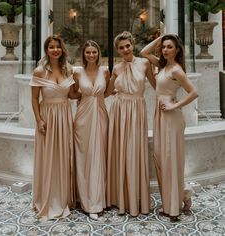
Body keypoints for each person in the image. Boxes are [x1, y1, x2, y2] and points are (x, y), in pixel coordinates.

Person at [140, 34, 198, 222]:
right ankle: (182, 193)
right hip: (160, 115)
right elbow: (143, 52)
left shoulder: (177, 70)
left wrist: (175, 106)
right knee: (160, 157)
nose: (165, 50)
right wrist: (160, 38)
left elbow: (194, 92)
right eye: (163, 47)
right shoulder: (162, 66)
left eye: (169, 47)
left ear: (177, 50)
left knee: (170, 158)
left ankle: (173, 207)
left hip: (172, 117)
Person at [30, 35, 80, 220]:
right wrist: (39, 120)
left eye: (58, 47)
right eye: (51, 47)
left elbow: (73, 95)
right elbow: (34, 98)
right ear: (46, 50)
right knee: (48, 157)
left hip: (65, 116)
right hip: (48, 118)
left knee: (63, 156)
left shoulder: (69, 70)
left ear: (62, 49)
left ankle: (63, 198)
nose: (55, 50)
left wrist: (93, 93)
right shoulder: (39, 72)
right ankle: (47, 198)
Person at [106, 31, 155, 217]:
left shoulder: (144, 63)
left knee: (135, 151)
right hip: (119, 110)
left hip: (137, 110)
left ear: (132, 44)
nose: (125, 49)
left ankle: (136, 198)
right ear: (117, 50)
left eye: (128, 45)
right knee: (120, 151)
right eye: (121, 47)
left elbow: (157, 85)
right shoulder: (116, 68)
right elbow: (108, 91)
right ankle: (120, 198)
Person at [74, 40, 110, 220]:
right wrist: (83, 97)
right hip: (83, 117)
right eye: (87, 52)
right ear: (83, 54)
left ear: (98, 53)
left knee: (99, 155)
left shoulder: (105, 71)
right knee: (84, 156)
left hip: (102, 115)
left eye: (94, 52)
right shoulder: (77, 72)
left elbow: (109, 91)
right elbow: (72, 93)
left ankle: (98, 200)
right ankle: (85, 200)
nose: (91, 55)